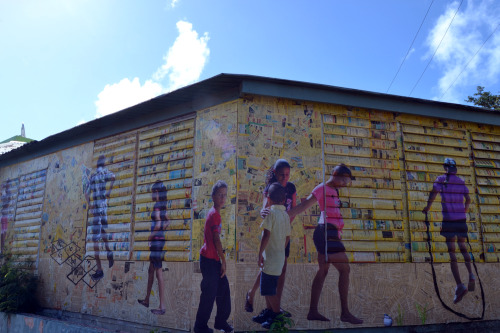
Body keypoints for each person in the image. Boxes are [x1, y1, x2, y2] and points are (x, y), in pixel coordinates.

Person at [287, 164, 363, 324]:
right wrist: (284, 215)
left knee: (323, 270)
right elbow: (304, 205)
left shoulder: (334, 191)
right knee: (345, 269)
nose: (345, 184)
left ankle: (313, 311)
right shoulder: (322, 188)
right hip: (326, 234)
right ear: (338, 176)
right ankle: (345, 313)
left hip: (330, 234)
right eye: (345, 180)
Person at [247, 159, 296, 318]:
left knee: (280, 269)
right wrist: (264, 213)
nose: (285, 177)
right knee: (268, 268)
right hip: (271, 232)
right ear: (275, 173)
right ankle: (270, 309)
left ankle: (276, 305)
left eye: (287, 174)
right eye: (281, 174)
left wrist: (283, 223)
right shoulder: (270, 188)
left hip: (283, 232)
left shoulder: (291, 187)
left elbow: (294, 210)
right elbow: (264, 208)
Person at [422, 158, 474, 304]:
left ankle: (460, 286)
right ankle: (471, 274)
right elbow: (468, 199)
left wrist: (427, 208)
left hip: (449, 221)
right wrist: (463, 211)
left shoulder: (441, 179)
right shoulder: (461, 181)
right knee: (463, 247)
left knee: (452, 253)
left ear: (445, 167)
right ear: (455, 168)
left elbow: (433, 194)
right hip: (461, 220)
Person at [194, 180, 233, 333]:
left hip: (213, 260)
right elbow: (216, 239)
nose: (223, 198)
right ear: (213, 196)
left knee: (223, 290)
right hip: (209, 261)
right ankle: (200, 327)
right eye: (220, 195)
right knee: (209, 295)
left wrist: (220, 260)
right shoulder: (214, 215)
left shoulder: (215, 213)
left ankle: (220, 322)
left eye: (225, 195)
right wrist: (224, 261)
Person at [255, 183, 291, 329]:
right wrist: (280, 250)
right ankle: (270, 315)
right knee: (269, 287)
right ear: (284, 200)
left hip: (270, 259)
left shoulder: (270, 214)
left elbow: (266, 235)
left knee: (268, 290)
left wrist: (259, 254)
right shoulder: (285, 216)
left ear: (268, 199)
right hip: (280, 258)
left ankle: (277, 315)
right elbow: (287, 237)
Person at [138, 181, 168, 315]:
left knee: (158, 273)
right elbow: (166, 222)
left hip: (156, 243)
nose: (151, 194)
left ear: (156, 192)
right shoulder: (163, 206)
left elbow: (158, 224)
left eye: (152, 191)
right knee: (151, 270)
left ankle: (162, 307)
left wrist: (151, 237)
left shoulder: (157, 206)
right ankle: (146, 299)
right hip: (160, 242)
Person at [85, 155, 116, 281]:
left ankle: (99, 270)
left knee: (94, 238)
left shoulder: (92, 176)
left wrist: (90, 204)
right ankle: (109, 252)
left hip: (97, 209)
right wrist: (108, 191)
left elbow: (86, 193)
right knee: (102, 231)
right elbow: (113, 177)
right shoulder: (106, 172)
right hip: (104, 207)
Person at [1, 181, 11, 253]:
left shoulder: (5, 197)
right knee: (3, 234)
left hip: (4, 217)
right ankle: (2, 249)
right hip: (4, 217)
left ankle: (2, 249)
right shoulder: (5, 198)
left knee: (3, 233)